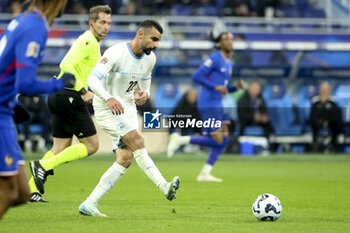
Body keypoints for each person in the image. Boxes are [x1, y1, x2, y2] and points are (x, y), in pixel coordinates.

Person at [78, 20, 180, 217]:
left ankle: (89, 203)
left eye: (158, 41)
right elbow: (91, 79)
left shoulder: (150, 59)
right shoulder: (115, 53)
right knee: (138, 141)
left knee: (125, 158)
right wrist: (108, 98)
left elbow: (146, 79)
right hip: (107, 107)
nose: (156, 45)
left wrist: (146, 93)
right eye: (154, 39)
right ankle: (164, 186)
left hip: (128, 106)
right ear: (140, 34)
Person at [28, 5, 112, 203]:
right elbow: (65, 64)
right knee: (91, 145)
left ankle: (31, 190)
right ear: (91, 23)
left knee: (60, 147)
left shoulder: (93, 43)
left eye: (108, 23)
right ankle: (43, 167)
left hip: (58, 96)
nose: (106, 27)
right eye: (102, 22)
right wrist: (83, 90)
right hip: (69, 95)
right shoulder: (87, 40)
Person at [0, 0, 75, 219]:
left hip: (5, 108)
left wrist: (13, 105)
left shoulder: (23, 19)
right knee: (8, 191)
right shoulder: (35, 26)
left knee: (23, 192)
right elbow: (25, 83)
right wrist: (59, 84)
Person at [167, 32, 244, 182]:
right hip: (208, 102)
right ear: (219, 43)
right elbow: (196, 76)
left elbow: (223, 88)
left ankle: (205, 173)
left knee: (225, 139)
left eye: (231, 39)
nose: (230, 42)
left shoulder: (229, 63)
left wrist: (235, 88)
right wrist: (214, 86)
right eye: (226, 39)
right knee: (217, 140)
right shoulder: (215, 58)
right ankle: (180, 140)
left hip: (217, 103)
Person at [310, 82, 341, 152]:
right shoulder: (315, 101)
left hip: (330, 123)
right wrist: (319, 120)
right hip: (318, 123)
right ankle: (315, 144)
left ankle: (332, 144)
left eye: (326, 89)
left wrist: (327, 120)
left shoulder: (333, 101)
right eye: (323, 89)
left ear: (329, 91)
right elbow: (313, 115)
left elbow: (335, 115)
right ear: (319, 90)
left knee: (337, 125)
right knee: (313, 125)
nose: (324, 91)